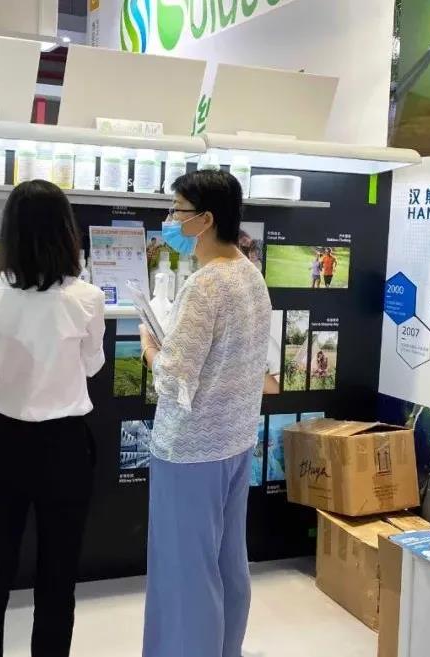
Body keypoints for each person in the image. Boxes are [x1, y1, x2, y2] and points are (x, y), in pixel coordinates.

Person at [0, 180, 105, 657]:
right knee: (58, 577)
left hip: (3, 443)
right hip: (65, 447)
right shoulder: (86, 298)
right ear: (66, 231)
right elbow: (92, 366)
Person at [139, 170, 272, 657]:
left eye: (177, 211)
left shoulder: (204, 285)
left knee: (185, 574)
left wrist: (150, 348)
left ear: (206, 219)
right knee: (227, 563)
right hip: (235, 441)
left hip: (190, 452)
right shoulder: (251, 276)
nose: (171, 220)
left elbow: (174, 378)